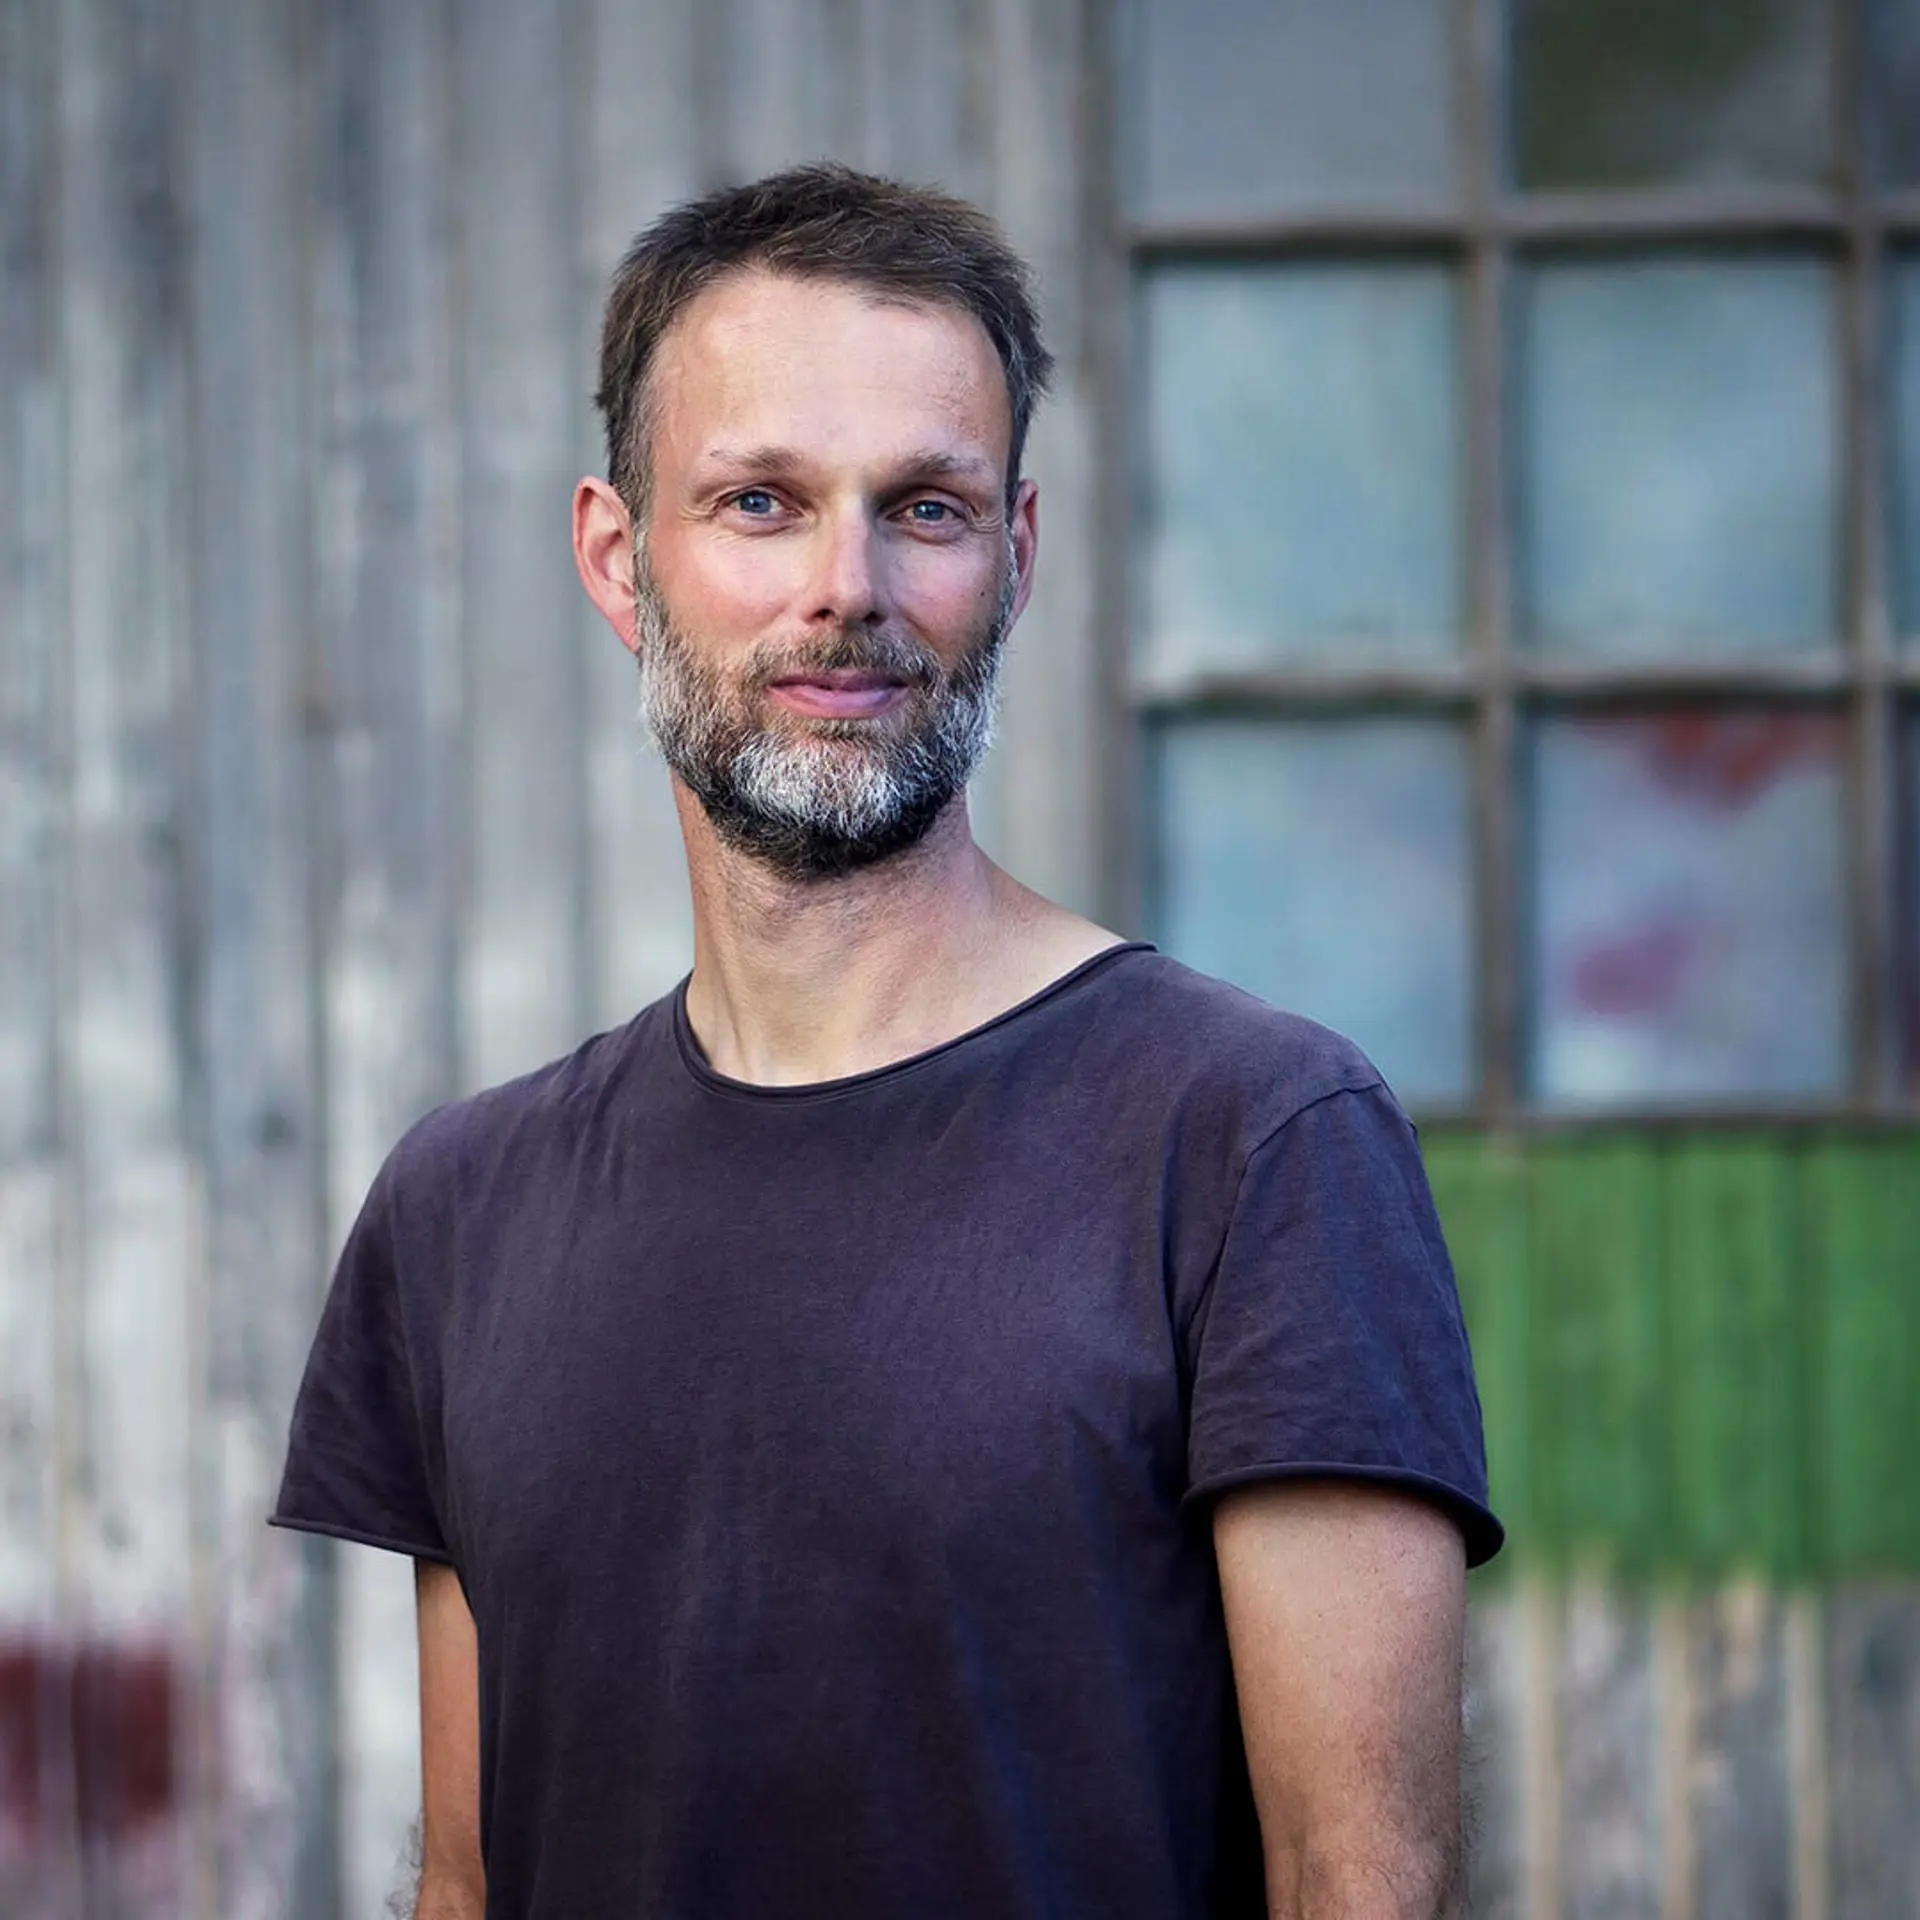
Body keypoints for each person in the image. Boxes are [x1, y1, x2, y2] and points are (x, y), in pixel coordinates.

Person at [272, 164, 1502, 1920]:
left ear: (1017, 554)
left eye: (924, 508)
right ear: (619, 558)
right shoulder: (461, 1209)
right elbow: (472, 1883)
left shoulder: (1254, 1144)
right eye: (760, 502)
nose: (847, 587)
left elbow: (1355, 1885)